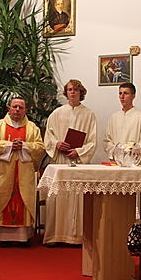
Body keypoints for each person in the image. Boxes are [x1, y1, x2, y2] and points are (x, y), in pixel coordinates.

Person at [43, 79, 97, 246]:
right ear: (66, 92)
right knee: (58, 198)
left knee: (77, 199)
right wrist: (57, 144)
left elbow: (93, 141)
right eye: (70, 89)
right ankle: (55, 236)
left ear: (81, 93)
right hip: (60, 160)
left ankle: (77, 236)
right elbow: (48, 137)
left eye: (76, 90)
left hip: (78, 162)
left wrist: (79, 151)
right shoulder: (57, 113)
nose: (72, 92)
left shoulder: (89, 115)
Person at [0, 98, 46, 247]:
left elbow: (40, 147)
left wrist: (24, 146)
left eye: (21, 107)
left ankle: (23, 237)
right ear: (9, 108)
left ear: (26, 110)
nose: (17, 110)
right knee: (4, 199)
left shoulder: (32, 128)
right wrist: (9, 145)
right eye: (15, 107)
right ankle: (4, 237)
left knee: (23, 200)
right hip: (5, 171)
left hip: (24, 172)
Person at [103, 82, 141, 162]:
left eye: (125, 93)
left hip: (133, 162)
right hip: (117, 161)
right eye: (120, 93)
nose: (122, 96)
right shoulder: (113, 117)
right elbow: (107, 140)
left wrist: (130, 153)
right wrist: (117, 151)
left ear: (133, 96)